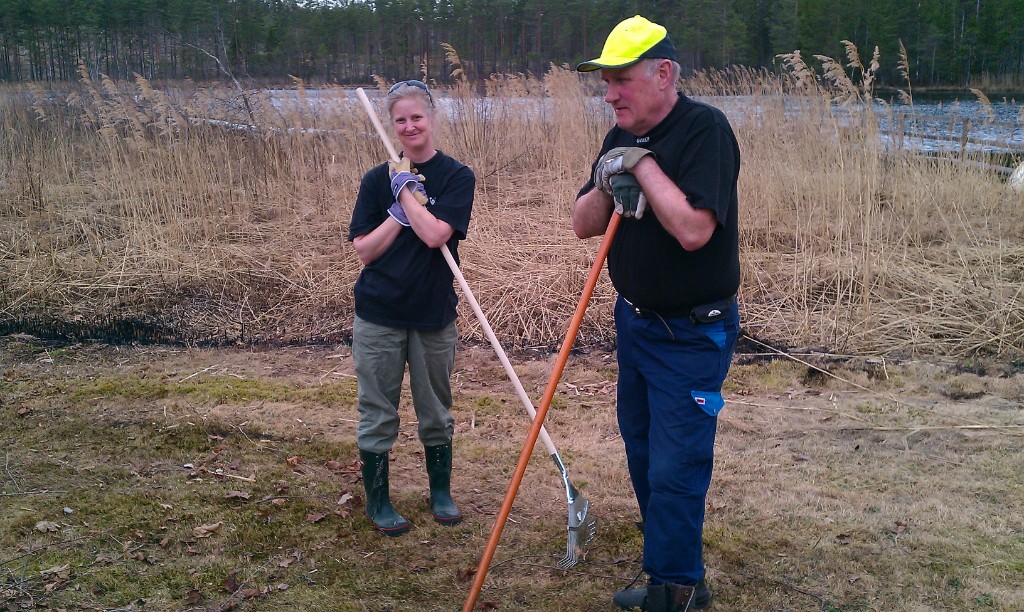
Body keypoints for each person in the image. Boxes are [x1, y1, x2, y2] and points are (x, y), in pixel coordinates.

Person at [572, 15, 741, 612]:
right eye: (606, 83)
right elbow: (582, 225)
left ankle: (678, 589)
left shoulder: (705, 131)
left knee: (677, 462)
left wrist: (642, 167)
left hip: (693, 330)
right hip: (636, 322)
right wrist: (606, 176)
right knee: (642, 448)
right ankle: (666, 567)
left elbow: (695, 230)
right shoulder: (619, 133)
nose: (610, 94)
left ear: (663, 73)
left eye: (620, 80)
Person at [347, 80, 475, 536]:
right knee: (377, 409)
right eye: (400, 120)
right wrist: (398, 211)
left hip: (433, 314)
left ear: (432, 118)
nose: (409, 126)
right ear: (392, 125)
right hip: (379, 313)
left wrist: (407, 194)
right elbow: (365, 250)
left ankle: (440, 492)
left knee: (436, 411)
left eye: (416, 117)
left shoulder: (457, 177)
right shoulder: (374, 180)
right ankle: (378, 501)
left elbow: (438, 235)